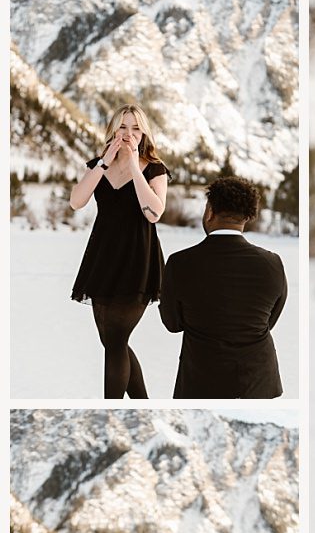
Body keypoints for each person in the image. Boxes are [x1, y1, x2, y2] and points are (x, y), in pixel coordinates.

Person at [69, 104, 171, 399]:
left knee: (115, 339)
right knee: (113, 342)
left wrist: (133, 167)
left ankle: (111, 406)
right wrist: (105, 162)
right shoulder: (98, 165)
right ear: (113, 130)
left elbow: (154, 213)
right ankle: (143, 403)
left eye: (136, 128)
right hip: (102, 259)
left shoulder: (155, 168)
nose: (129, 134)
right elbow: (76, 202)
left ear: (144, 134)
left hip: (138, 259)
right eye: (123, 127)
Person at [158, 176, 288, 398]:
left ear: (209, 212)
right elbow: (268, 321)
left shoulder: (180, 263)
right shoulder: (272, 263)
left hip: (202, 383)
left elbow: (172, 323)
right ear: (247, 217)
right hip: (260, 384)